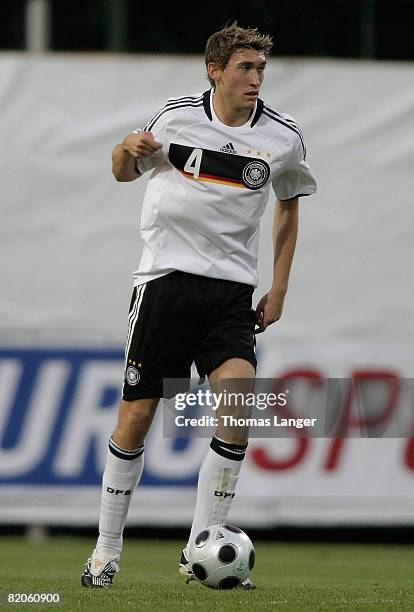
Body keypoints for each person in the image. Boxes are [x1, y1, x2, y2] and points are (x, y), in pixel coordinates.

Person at [81, 22, 316, 590]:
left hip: (231, 294)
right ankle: (105, 553)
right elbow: (121, 170)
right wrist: (124, 149)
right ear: (215, 70)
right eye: (245, 67)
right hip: (165, 283)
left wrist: (278, 287)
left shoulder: (283, 138)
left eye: (261, 68)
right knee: (137, 418)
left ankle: (200, 548)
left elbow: (289, 207)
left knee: (236, 411)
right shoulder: (174, 117)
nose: (256, 78)